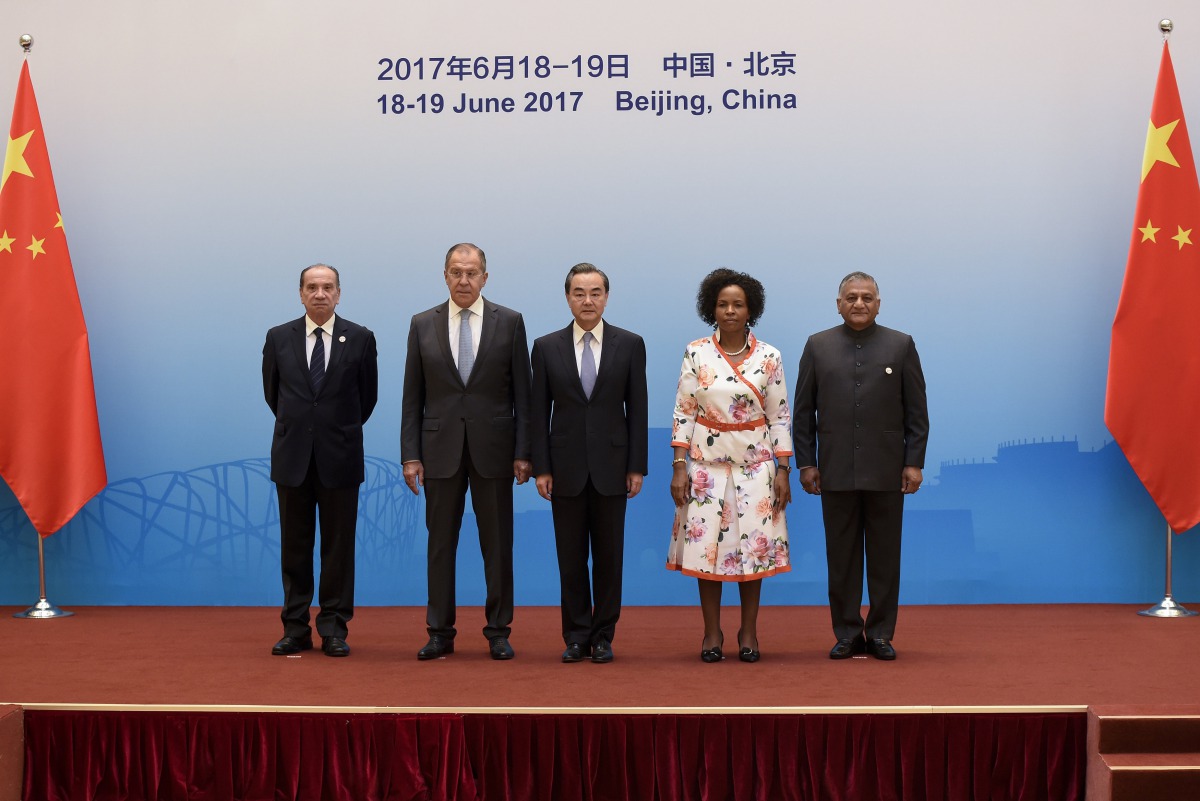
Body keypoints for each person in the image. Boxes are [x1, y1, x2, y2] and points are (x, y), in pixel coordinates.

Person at [401, 243, 532, 661]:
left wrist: (523, 451)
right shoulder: (422, 323)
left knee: (498, 545)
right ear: (445, 276)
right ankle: (440, 631)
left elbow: (524, 396)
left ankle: (498, 631)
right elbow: (412, 396)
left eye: (472, 273)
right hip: (438, 451)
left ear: (485, 278)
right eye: (456, 272)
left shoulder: (509, 322)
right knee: (440, 545)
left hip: (494, 450)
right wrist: (410, 454)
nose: (464, 280)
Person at [793, 271, 929, 661]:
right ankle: (848, 632)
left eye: (867, 297)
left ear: (879, 303)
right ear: (838, 303)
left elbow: (917, 413)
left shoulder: (901, 345)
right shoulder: (818, 346)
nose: (859, 303)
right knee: (842, 557)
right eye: (851, 297)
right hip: (834, 470)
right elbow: (803, 413)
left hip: (887, 471)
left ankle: (882, 632)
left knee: (886, 557)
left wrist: (913, 462)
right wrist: (807, 463)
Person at [667, 268, 793, 663]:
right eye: (722, 304)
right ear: (711, 308)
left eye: (738, 304)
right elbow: (684, 411)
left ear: (751, 308)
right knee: (707, 555)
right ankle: (711, 632)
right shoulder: (696, 351)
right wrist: (679, 465)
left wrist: (784, 469)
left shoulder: (770, 356)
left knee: (752, 556)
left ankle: (748, 631)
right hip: (706, 469)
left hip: (757, 470)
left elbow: (780, 416)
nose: (730, 310)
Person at [531, 263, 648, 664]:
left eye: (595, 292)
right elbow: (537, 412)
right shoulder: (546, 347)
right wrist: (541, 467)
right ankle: (576, 635)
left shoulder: (630, 344)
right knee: (571, 558)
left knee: (609, 557)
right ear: (567, 298)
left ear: (607, 297)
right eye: (579, 293)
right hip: (563, 469)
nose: (587, 300)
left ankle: (603, 636)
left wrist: (637, 466)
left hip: (614, 467)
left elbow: (638, 408)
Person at [262, 263, 379, 658]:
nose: (320, 294)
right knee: (294, 548)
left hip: (340, 458)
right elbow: (273, 394)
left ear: (339, 293)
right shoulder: (279, 337)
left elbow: (367, 399)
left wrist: (334, 429)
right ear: (300, 294)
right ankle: (295, 628)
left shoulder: (360, 338)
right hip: (293, 457)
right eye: (312, 287)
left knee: (338, 548)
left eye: (328, 287)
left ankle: (333, 628)